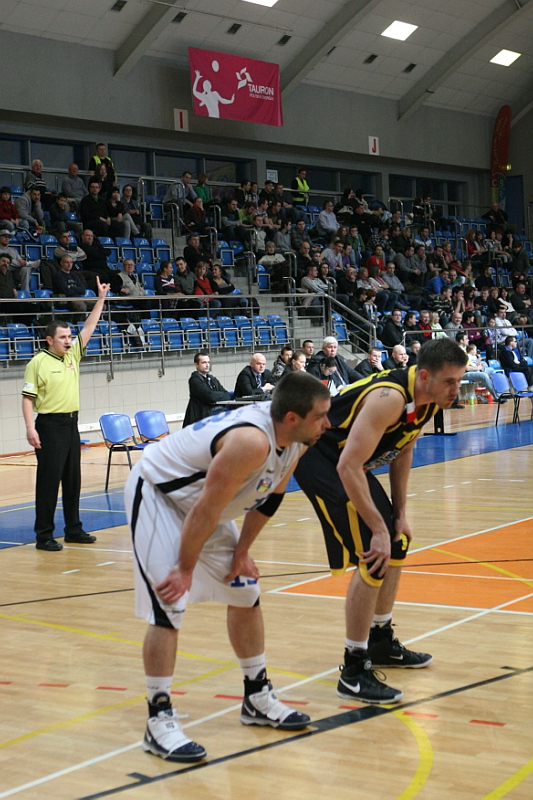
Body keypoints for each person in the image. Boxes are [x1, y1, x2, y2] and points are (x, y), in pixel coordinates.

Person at [124, 372, 331, 761]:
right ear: (292, 418)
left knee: (246, 591)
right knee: (169, 604)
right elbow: (206, 509)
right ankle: (158, 718)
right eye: (320, 416)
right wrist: (184, 568)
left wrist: (242, 552)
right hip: (158, 495)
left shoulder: (296, 441)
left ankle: (257, 696)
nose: (327, 423)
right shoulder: (251, 442)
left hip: (203, 507)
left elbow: (270, 498)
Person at [294, 338, 468, 703]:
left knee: (397, 540)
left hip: (348, 463)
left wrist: (399, 514)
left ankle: (380, 639)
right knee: (374, 554)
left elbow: (403, 451)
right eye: (450, 381)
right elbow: (347, 466)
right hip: (321, 459)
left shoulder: (428, 401)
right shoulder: (389, 398)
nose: (457, 389)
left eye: (460, 380)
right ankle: (354, 669)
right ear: (425, 377)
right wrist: (377, 529)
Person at [21, 277, 110, 552]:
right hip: (49, 426)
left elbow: (89, 326)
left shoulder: (72, 356)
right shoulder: (37, 363)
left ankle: (73, 529)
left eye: (70, 337)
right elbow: (27, 398)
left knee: (73, 480)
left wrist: (101, 299)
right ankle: (44, 535)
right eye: (63, 337)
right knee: (49, 482)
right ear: (49, 340)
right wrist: (30, 428)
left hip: (72, 424)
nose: (69, 341)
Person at [182, 351, 231, 427]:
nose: (207, 365)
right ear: (196, 364)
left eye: (208, 362)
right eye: (204, 363)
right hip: (199, 419)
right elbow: (209, 397)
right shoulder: (194, 380)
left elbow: (227, 395)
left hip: (213, 416)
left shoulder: (212, 379)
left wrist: (215, 396)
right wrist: (216, 396)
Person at [52, 254, 89, 322]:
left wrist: (71, 287)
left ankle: (89, 322)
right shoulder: (59, 276)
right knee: (81, 306)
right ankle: (76, 324)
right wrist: (76, 289)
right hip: (66, 300)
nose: (69, 264)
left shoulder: (74, 276)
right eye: (67, 262)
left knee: (100, 305)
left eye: (71, 262)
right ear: (61, 263)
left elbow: (83, 290)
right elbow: (67, 292)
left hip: (78, 298)